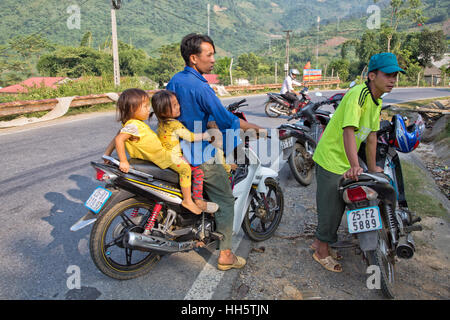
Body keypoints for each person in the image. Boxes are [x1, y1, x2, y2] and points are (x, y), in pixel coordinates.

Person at [166, 33, 265, 271]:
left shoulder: (175, 81)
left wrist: (207, 121)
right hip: (198, 152)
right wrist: (249, 126)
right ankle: (226, 255)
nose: (213, 60)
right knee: (225, 199)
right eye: (208, 55)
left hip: (174, 148)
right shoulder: (202, 87)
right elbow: (224, 118)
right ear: (193, 58)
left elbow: (181, 112)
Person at [310, 52, 405, 272]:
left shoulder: (376, 99)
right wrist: (355, 165)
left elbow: (371, 136)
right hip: (331, 158)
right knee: (330, 208)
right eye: (388, 75)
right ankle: (321, 251)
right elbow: (349, 130)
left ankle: (319, 241)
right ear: (372, 75)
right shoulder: (358, 94)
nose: (393, 80)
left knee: (344, 203)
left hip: (346, 160)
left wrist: (372, 168)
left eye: (395, 76)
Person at [103, 88, 203, 215]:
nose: (148, 110)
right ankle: (188, 200)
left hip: (149, 158)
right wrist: (123, 161)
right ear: (132, 110)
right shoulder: (134, 125)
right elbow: (118, 139)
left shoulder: (131, 124)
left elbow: (117, 136)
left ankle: (137, 212)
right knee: (185, 169)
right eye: (145, 107)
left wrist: (107, 154)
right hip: (160, 156)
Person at [151, 89, 218, 214]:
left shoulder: (161, 123)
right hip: (172, 157)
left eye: (178, 104)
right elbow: (190, 137)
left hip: (164, 155)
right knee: (196, 172)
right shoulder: (175, 124)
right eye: (175, 105)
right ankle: (193, 200)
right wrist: (206, 135)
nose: (179, 107)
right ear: (164, 111)